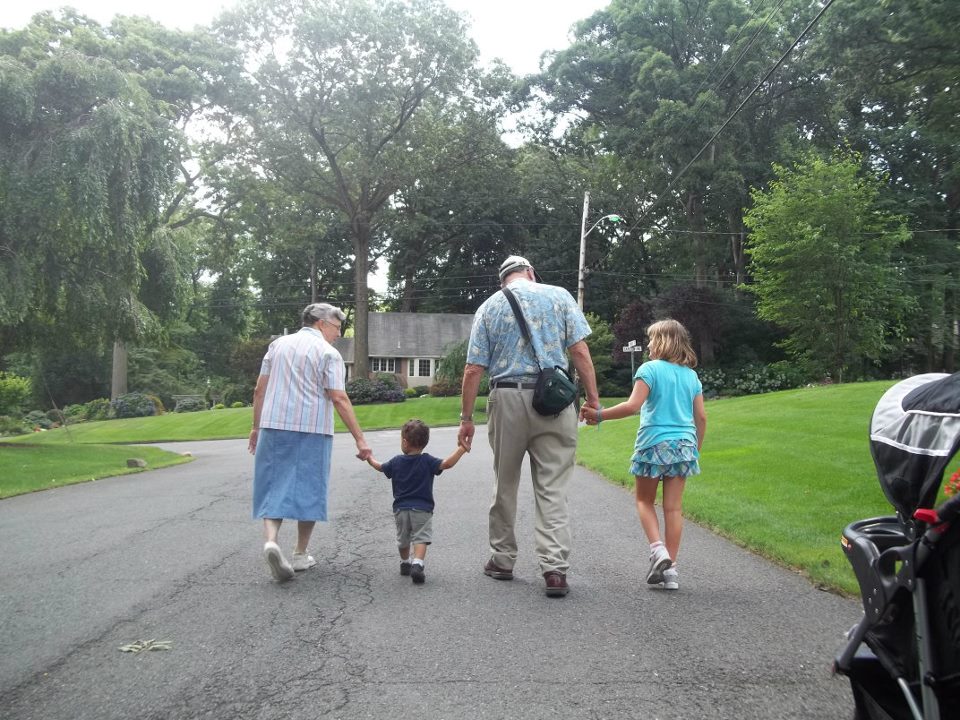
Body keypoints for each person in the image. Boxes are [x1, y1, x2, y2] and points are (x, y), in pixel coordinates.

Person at [458, 255, 600, 597]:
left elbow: (473, 370)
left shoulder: (489, 307)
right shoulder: (560, 296)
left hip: (507, 399)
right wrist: (593, 400)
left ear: (502, 281)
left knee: (504, 482)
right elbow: (579, 352)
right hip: (554, 400)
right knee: (552, 486)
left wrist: (466, 419)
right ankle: (554, 570)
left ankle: (503, 560)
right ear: (531, 273)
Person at [249, 302, 372, 583]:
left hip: (273, 425)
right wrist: (360, 439)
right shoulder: (328, 353)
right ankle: (300, 553)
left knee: (272, 485)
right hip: (312, 428)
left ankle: (271, 541)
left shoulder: (277, 346)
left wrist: (256, 427)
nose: (338, 334)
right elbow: (338, 397)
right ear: (321, 323)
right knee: (310, 488)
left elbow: (259, 390)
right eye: (337, 327)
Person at [581, 318, 707, 591]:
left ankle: (657, 550)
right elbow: (702, 418)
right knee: (673, 508)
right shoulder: (691, 376)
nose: (648, 343)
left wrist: (599, 415)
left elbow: (633, 406)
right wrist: (694, 449)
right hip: (684, 446)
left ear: (661, 342)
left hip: (653, 445)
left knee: (644, 501)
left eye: (651, 339)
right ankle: (670, 570)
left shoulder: (649, 370)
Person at [365, 419, 467, 584]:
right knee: (420, 537)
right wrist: (462, 449)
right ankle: (418, 563)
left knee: (403, 538)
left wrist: (369, 457)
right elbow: (447, 464)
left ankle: (405, 563)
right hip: (422, 509)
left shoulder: (396, 461)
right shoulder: (427, 461)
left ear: (405, 442)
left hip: (400, 509)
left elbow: (379, 466)